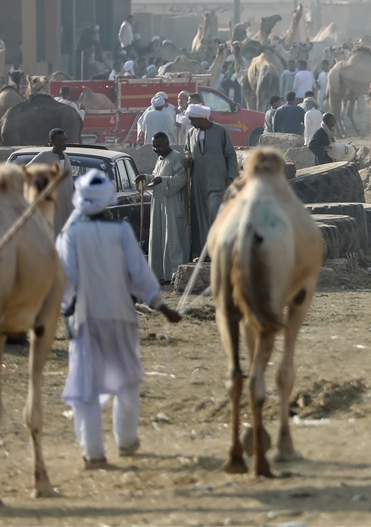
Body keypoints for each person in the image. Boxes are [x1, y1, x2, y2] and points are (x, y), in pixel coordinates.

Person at [56, 169, 182, 468]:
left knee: (86, 386)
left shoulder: (70, 234)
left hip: (86, 320)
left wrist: (65, 309)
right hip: (121, 317)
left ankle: (93, 452)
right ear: (108, 199)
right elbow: (140, 274)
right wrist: (161, 306)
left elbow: (66, 280)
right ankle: (125, 441)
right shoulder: (122, 232)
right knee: (127, 381)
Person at [185, 105, 239, 258]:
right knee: (200, 217)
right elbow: (187, 150)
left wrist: (231, 177)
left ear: (202, 118)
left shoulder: (220, 131)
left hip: (217, 180)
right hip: (198, 182)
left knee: (215, 211)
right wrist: (187, 158)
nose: (191, 123)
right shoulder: (190, 133)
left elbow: (230, 155)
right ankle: (206, 253)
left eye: (193, 120)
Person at [143, 132, 188, 283]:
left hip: (173, 203)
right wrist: (146, 178)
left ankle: (175, 273)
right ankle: (161, 274)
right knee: (159, 237)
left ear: (168, 143)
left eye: (159, 146)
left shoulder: (176, 157)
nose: (156, 149)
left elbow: (182, 178)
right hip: (160, 203)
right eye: (154, 146)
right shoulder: (160, 159)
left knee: (173, 239)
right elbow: (156, 177)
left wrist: (162, 180)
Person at [28, 128, 76, 237]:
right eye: (60, 141)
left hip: (67, 203)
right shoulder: (44, 156)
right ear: (52, 142)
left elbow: (68, 180)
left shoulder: (66, 157)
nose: (64, 143)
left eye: (65, 140)